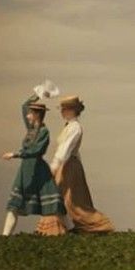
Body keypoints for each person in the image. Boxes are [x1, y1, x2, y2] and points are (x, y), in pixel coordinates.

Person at [37, 96, 114, 234]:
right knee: (61, 195)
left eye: (64, 109)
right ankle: (61, 228)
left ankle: (89, 225)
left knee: (71, 198)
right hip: (65, 164)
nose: (62, 112)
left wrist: (54, 166)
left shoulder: (75, 128)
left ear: (72, 110)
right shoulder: (69, 126)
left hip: (68, 165)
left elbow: (65, 149)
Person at [2, 93, 67, 236]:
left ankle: (69, 229)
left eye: (30, 114)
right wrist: (38, 94)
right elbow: (24, 106)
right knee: (14, 204)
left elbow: (36, 150)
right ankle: (5, 236)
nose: (27, 116)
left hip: (39, 169)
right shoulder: (31, 129)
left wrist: (15, 154)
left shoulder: (44, 132)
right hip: (26, 169)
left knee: (54, 203)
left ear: (37, 115)